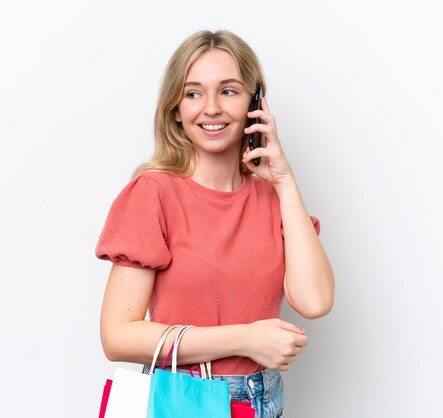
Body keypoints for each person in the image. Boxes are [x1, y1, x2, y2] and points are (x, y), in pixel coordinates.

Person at [95, 29, 334, 418]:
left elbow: (315, 301)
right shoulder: (153, 192)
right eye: (193, 93)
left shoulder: (273, 199)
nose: (210, 108)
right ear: (175, 109)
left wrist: (285, 180)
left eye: (228, 91)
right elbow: (117, 336)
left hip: (264, 400)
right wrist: (245, 339)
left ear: (256, 104)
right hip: (185, 400)